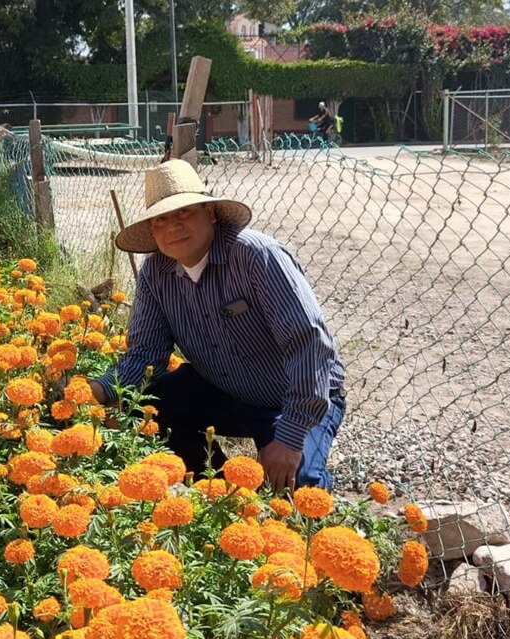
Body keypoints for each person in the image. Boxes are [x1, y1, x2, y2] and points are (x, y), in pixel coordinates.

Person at [88, 159, 346, 491]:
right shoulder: (156, 273)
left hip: (291, 396)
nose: (173, 227)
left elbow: (309, 343)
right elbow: (147, 353)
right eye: (161, 219)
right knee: (142, 410)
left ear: (209, 212)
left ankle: (312, 505)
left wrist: (291, 435)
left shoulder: (255, 256)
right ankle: (218, 491)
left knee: (297, 485)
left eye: (184, 213)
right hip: (224, 390)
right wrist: (99, 390)